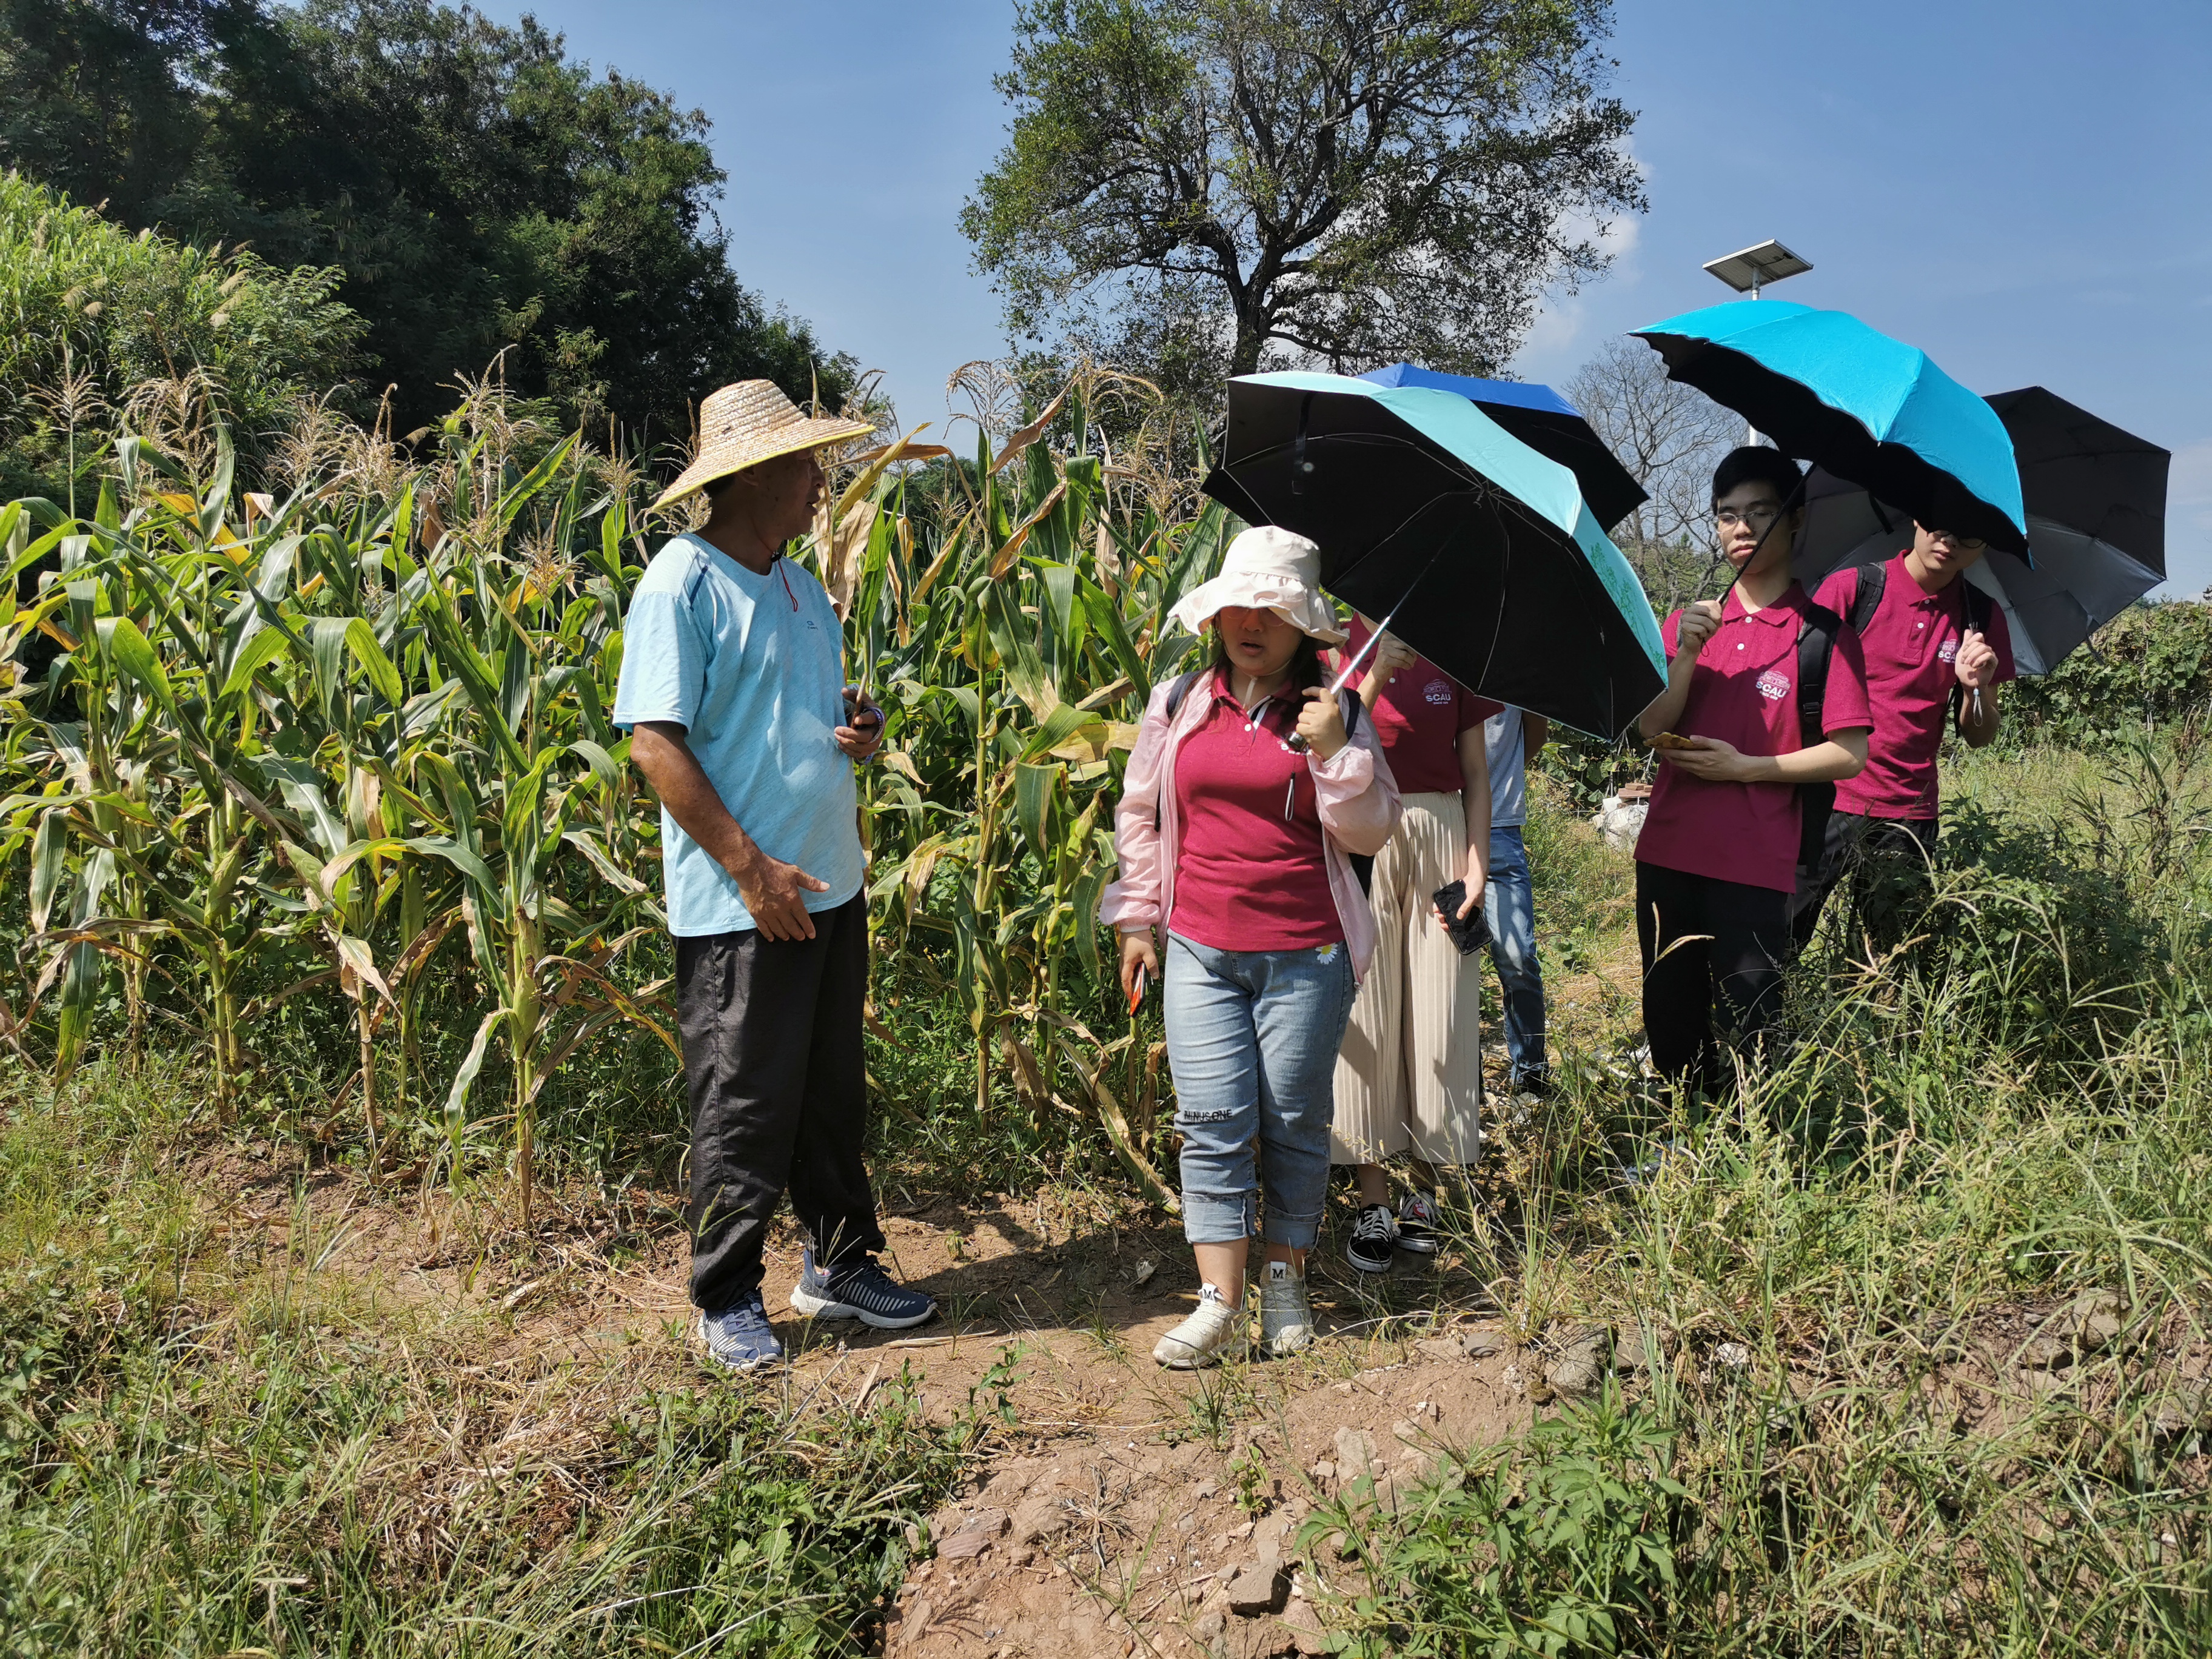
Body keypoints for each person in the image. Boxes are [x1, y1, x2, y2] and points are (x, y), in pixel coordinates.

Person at [615, 380, 936, 1375]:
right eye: (805, 466)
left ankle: (839, 1265)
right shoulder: (681, 583)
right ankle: (725, 1296)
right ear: (752, 476)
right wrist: (750, 870)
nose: (819, 485)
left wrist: (856, 728)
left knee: (830, 1095)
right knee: (744, 1103)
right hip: (745, 901)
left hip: (829, 884)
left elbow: (799, 710)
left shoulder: (798, 587)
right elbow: (654, 743)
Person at [1102, 526, 1401, 1369]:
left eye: (1274, 609)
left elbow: (1371, 832)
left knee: (1295, 1122)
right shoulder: (1179, 701)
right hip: (1200, 947)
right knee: (1211, 1122)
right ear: (1216, 615)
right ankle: (1218, 1303)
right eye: (1239, 605)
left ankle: (1285, 1282)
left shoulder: (1335, 713)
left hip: (1307, 954)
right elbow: (1140, 813)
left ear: (1306, 626)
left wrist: (1336, 751)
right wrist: (1136, 920)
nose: (1252, 622)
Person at [1632, 448, 1872, 1091]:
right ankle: (1682, 1132)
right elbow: (1651, 728)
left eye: (1760, 512)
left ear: (1795, 519)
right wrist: (1686, 654)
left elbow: (1850, 753)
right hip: (1669, 851)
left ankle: (1746, 1139)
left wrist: (1747, 767)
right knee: (1670, 1015)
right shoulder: (1687, 623)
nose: (1741, 529)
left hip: (1758, 863)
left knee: (1752, 1025)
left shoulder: (1823, 635)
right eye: (1727, 515)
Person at [1328, 622, 1498, 1273]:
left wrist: (1477, 871)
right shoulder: (1332, 649)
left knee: (1441, 1012)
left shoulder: (1458, 651)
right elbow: (1327, 750)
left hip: (1440, 831)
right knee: (1365, 1014)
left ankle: (1424, 1194)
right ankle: (1372, 1200)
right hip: (1361, 829)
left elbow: (1476, 771)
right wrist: (1374, 673)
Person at [1791, 524, 2016, 952]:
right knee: (1777, 940)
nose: (1950, 540)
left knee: (1892, 957)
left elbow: (1980, 735)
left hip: (1910, 810)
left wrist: (1975, 688)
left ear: (1984, 544)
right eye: (1940, 524)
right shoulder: (1853, 589)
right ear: (1916, 519)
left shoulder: (1981, 618)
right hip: (1825, 796)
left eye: (1969, 534)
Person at [1481, 704, 1553, 1101]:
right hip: (1444, 822)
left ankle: (1530, 1071)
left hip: (1500, 826)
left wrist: (1495, 779)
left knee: (1518, 956)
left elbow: (1536, 733)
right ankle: (1462, 1078)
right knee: (1448, 962)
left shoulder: (1517, 674)